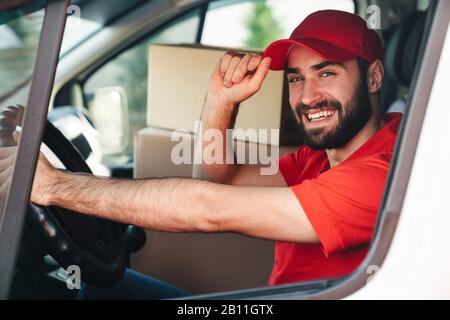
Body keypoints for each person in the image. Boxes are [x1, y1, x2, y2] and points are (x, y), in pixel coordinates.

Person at [4, 10, 402, 299]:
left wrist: (53, 186)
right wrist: (220, 101)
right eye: (297, 78)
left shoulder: (384, 173)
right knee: (99, 290)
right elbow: (218, 178)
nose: (308, 96)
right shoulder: (321, 156)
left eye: (327, 73)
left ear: (373, 76)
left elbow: (208, 207)